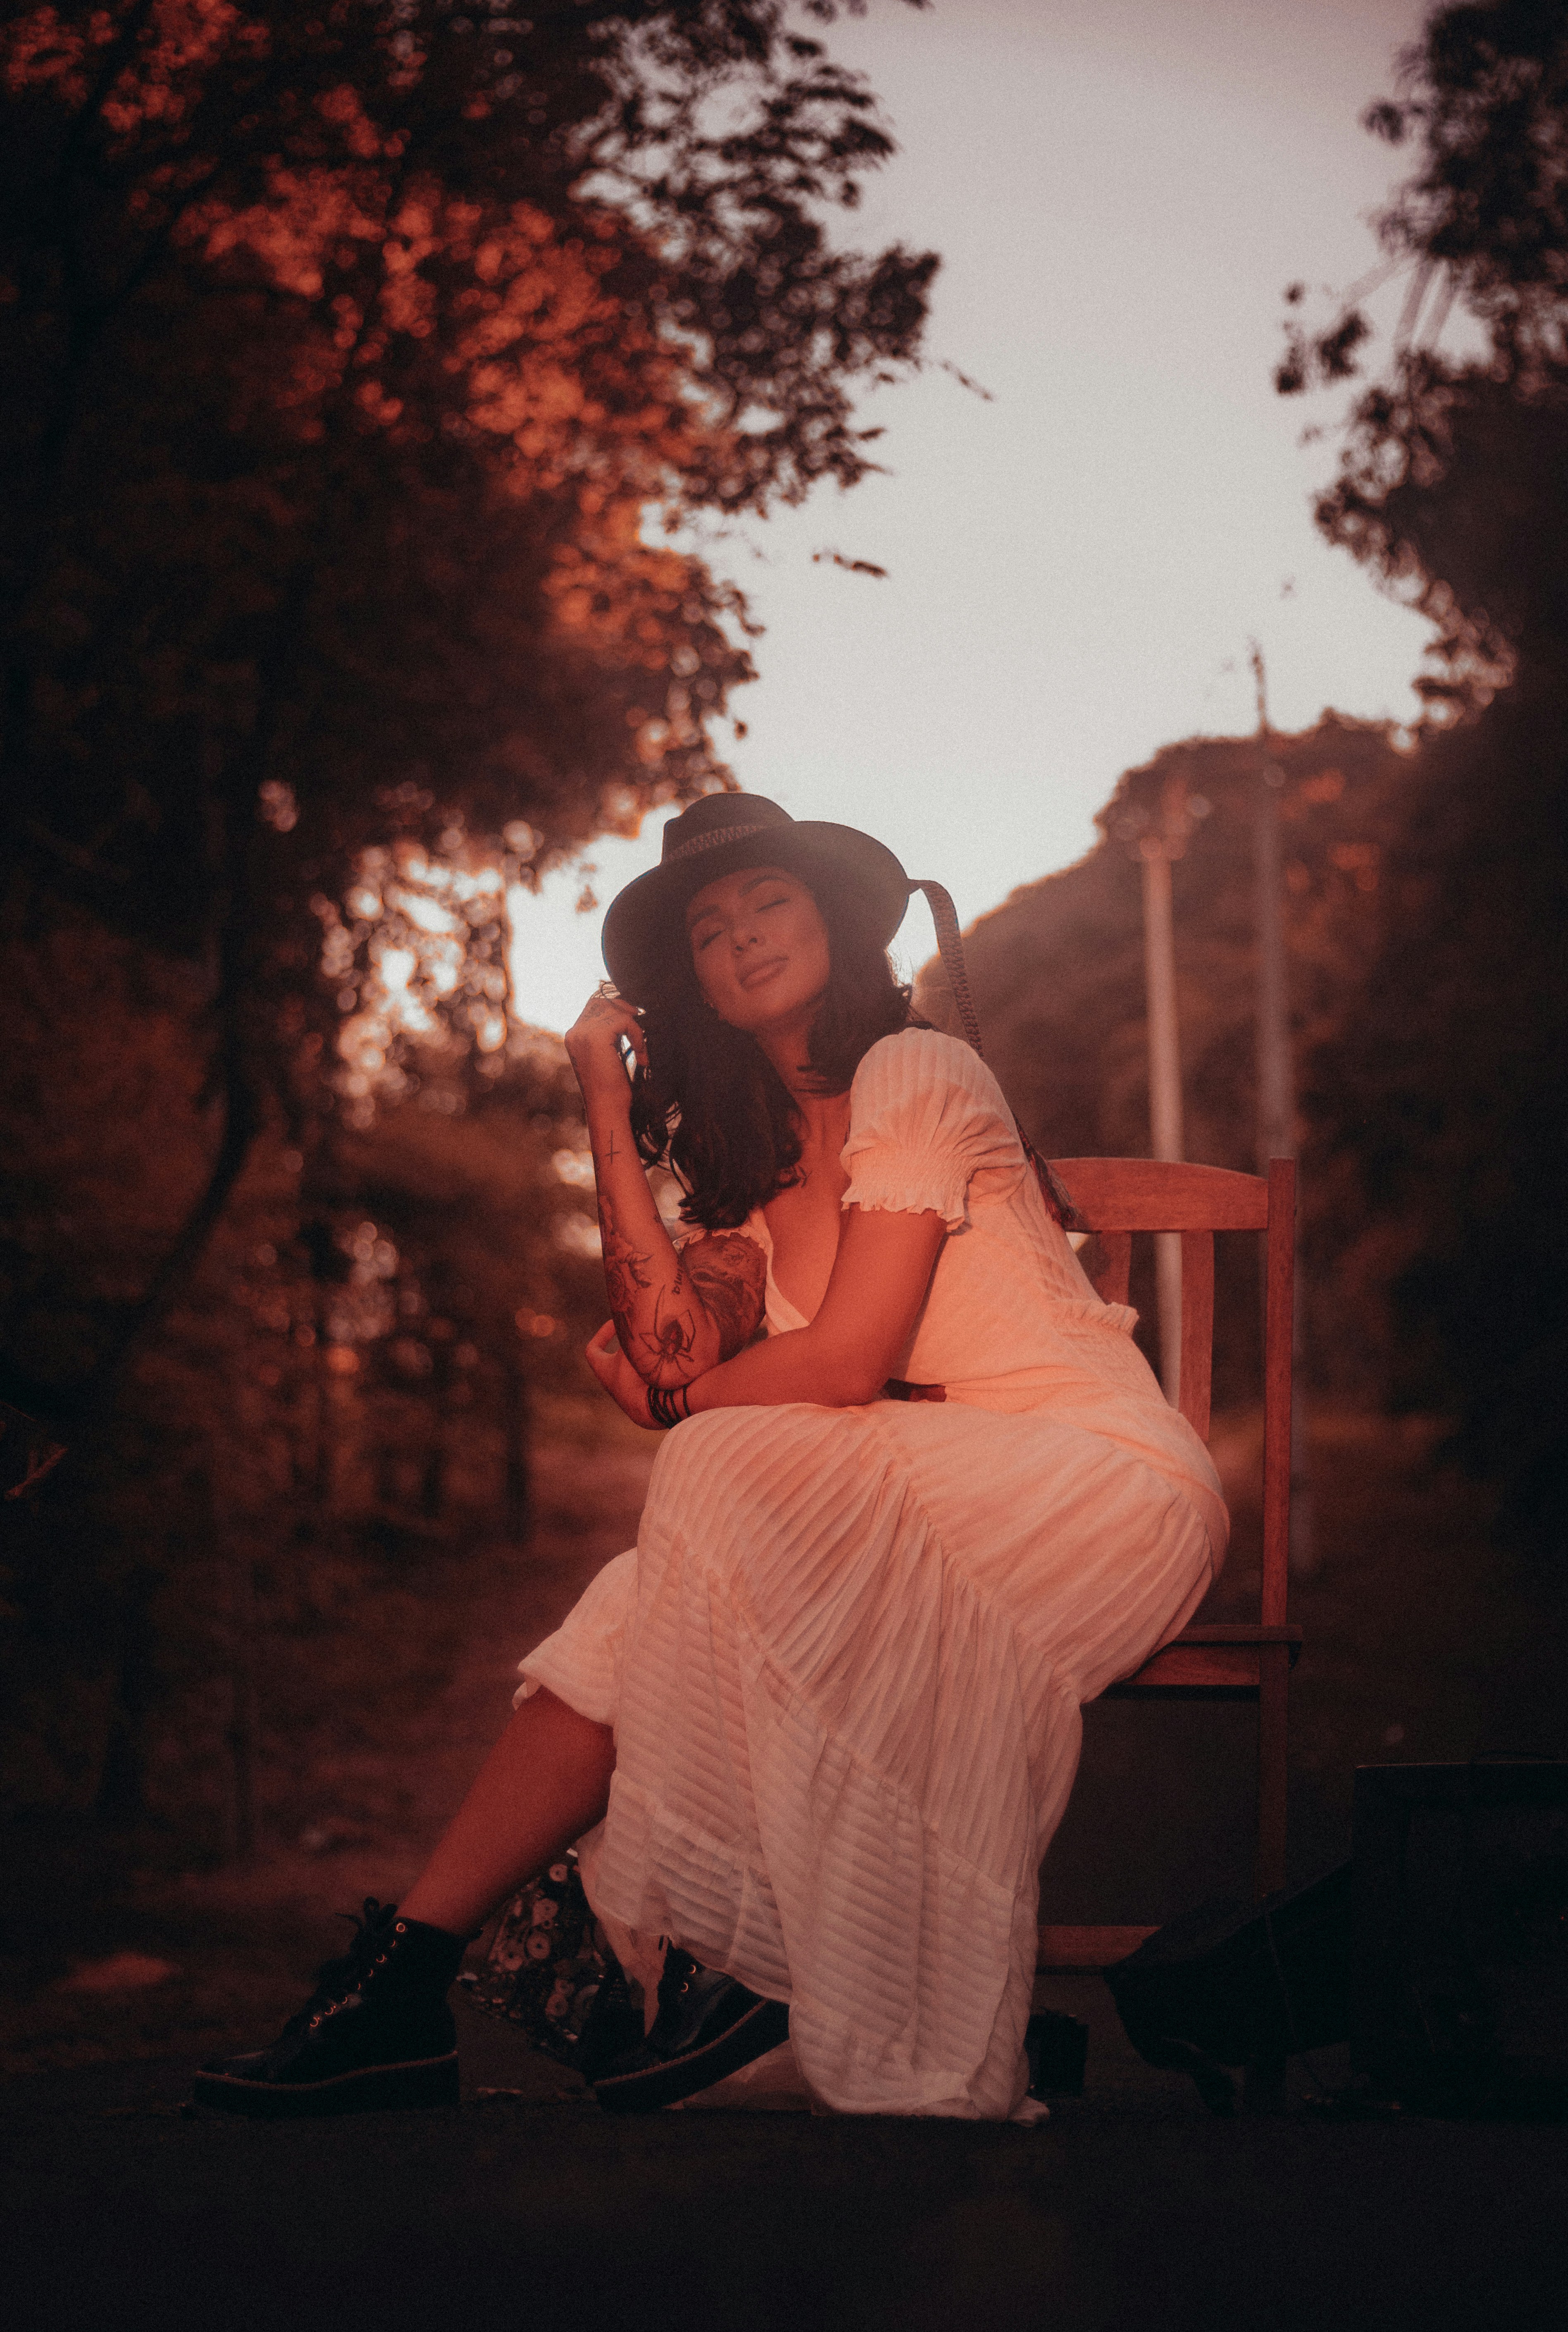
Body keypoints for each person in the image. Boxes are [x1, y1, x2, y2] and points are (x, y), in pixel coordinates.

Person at [194, 793, 1227, 2123]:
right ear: (688, 984)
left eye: (768, 902)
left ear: (834, 920)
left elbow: (837, 1364)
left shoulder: (917, 1072)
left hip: (1090, 1483)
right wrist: (604, 1105)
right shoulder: (741, 1186)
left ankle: (746, 1959)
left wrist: (685, 1400)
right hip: (921, 1501)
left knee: (720, 1461)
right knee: (639, 1600)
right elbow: (667, 1344)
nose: (740, 937)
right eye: (706, 928)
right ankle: (405, 1976)